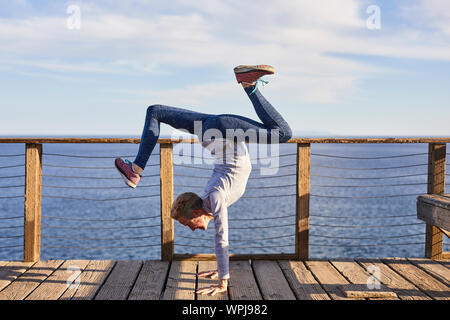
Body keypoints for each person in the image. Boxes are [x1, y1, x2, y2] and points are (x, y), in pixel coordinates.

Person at [115, 65, 292, 296]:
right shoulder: (212, 195)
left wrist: (223, 282)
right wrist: (220, 270)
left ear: (195, 212)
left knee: (283, 133)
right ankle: (135, 169)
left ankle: (248, 84)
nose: (190, 229)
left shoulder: (215, 196)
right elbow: (219, 237)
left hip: (220, 130)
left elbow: (221, 238)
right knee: (155, 110)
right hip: (212, 129)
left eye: (187, 223)